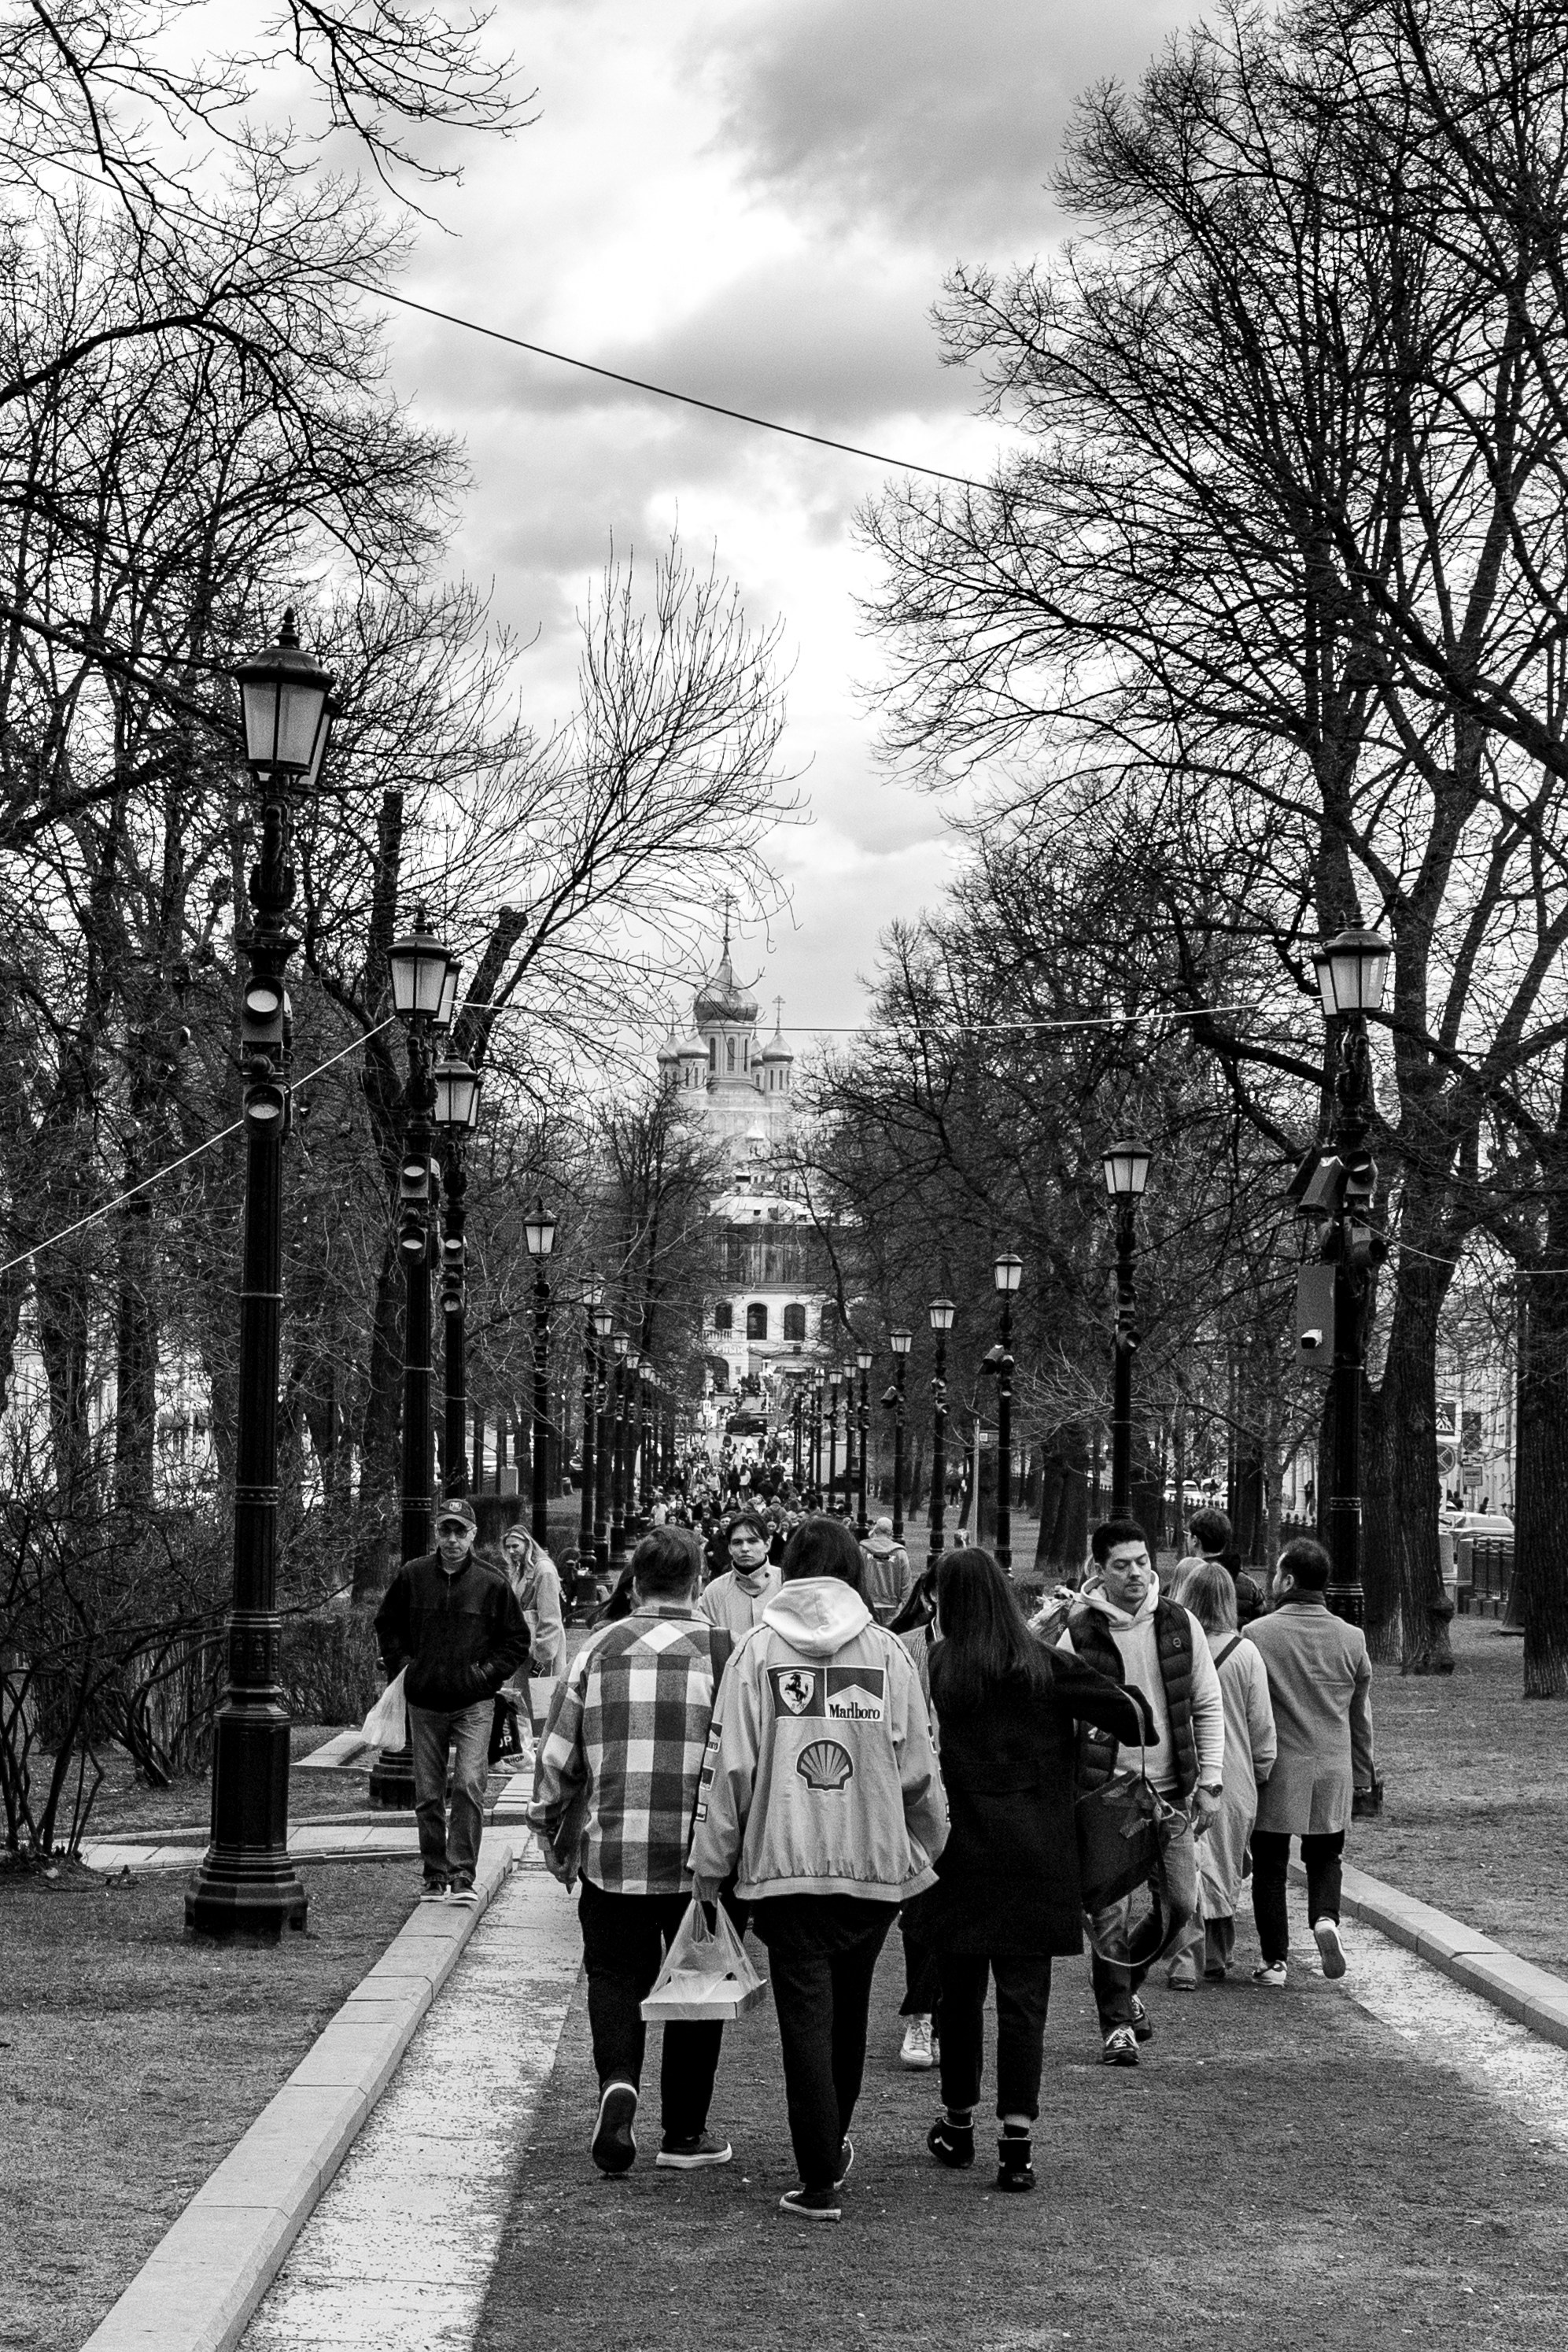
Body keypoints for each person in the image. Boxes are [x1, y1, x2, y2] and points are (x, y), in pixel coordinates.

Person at [690, 1514, 947, 2223]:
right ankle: (829, 2147)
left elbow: (728, 1766)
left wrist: (710, 1862)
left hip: (782, 1863)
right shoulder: (889, 1653)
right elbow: (918, 1766)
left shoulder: (755, 1651)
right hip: (869, 1865)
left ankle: (819, 2174)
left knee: (805, 2018)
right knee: (851, 2010)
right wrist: (924, 1844)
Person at [913, 1548, 1153, 2190]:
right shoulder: (1043, 1664)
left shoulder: (932, 1667)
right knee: (1024, 2003)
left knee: (958, 1997)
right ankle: (1015, 2143)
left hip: (955, 1853)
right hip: (1036, 1852)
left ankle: (957, 2122)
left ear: (945, 1602)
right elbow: (1135, 1721)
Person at [529, 1526, 736, 2176]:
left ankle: (618, 2083)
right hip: (701, 1856)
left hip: (612, 1848)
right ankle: (684, 2130)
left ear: (636, 1580)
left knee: (614, 1974)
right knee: (698, 1986)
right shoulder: (726, 1651)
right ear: (698, 1580)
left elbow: (556, 1755)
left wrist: (550, 1830)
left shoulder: (598, 1648)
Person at [1035, 1518, 1224, 2065]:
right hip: (1105, 1796)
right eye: (1121, 1564)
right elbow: (1057, 1715)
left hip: (1170, 1792)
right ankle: (1115, 2023)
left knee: (1181, 1904)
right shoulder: (1079, 1632)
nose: (1136, 1572)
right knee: (1109, 1915)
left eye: (1142, 1560)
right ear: (1099, 1570)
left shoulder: (1178, 1623)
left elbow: (1205, 1703)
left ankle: (1124, 1986)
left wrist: (1209, 1781)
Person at [373, 1496, 530, 1905]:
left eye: (461, 1531)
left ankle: (462, 1874)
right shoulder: (413, 1576)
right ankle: (434, 1875)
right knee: (427, 1793)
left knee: (468, 1786)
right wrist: (405, 1665)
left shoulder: (492, 1583)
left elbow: (515, 1641)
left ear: (473, 1535)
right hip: (425, 1701)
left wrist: (486, 1675)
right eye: (446, 1530)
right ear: (436, 1532)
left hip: (474, 1703)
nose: (453, 1539)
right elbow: (388, 1624)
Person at [1245, 1537, 1374, 1987]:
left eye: (1278, 1572)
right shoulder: (1352, 1638)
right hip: (1333, 1765)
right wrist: (1364, 1774)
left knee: (1270, 1866)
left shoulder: (1258, 1635)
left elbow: (1253, 1708)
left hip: (1280, 1767)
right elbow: (1360, 1716)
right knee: (1326, 1856)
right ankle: (1324, 1919)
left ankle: (1275, 1961)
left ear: (1289, 1579)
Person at [1167, 1563, 1276, 1987]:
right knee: (1224, 1866)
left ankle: (1186, 1958)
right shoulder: (1245, 1653)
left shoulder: (1174, 1649)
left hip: (1180, 1770)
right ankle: (1215, 1954)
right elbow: (1260, 1725)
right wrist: (1261, 1770)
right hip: (1232, 1775)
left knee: (1185, 1864)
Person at [1175, 1505, 1265, 1627]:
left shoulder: (1182, 1579)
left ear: (1195, 1540)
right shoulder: (1250, 1586)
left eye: (1188, 1535)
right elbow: (1258, 1624)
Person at [699, 1510, 780, 1636]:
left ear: (767, 1545)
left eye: (752, 1541)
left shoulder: (786, 1584)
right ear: (730, 1548)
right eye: (737, 1542)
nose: (745, 1549)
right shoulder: (714, 1593)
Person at [501, 1524, 566, 1678]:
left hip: (542, 1647)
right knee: (524, 1696)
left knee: (541, 1695)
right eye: (508, 1547)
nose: (511, 1551)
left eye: (515, 1546)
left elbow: (550, 1617)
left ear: (527, 1544)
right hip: (526, 1645)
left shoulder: (544, 1570)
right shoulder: (521, 1569)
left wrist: (542, 1657)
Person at [861, 1517, 914, 1625]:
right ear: (891, 1532)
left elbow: (857, 1576)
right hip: (892, 1606)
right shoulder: (900, 1553)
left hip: (868, 1604)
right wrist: (903, 1607)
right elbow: (906, 1583)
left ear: (875, 1530)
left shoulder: (863, 1550)